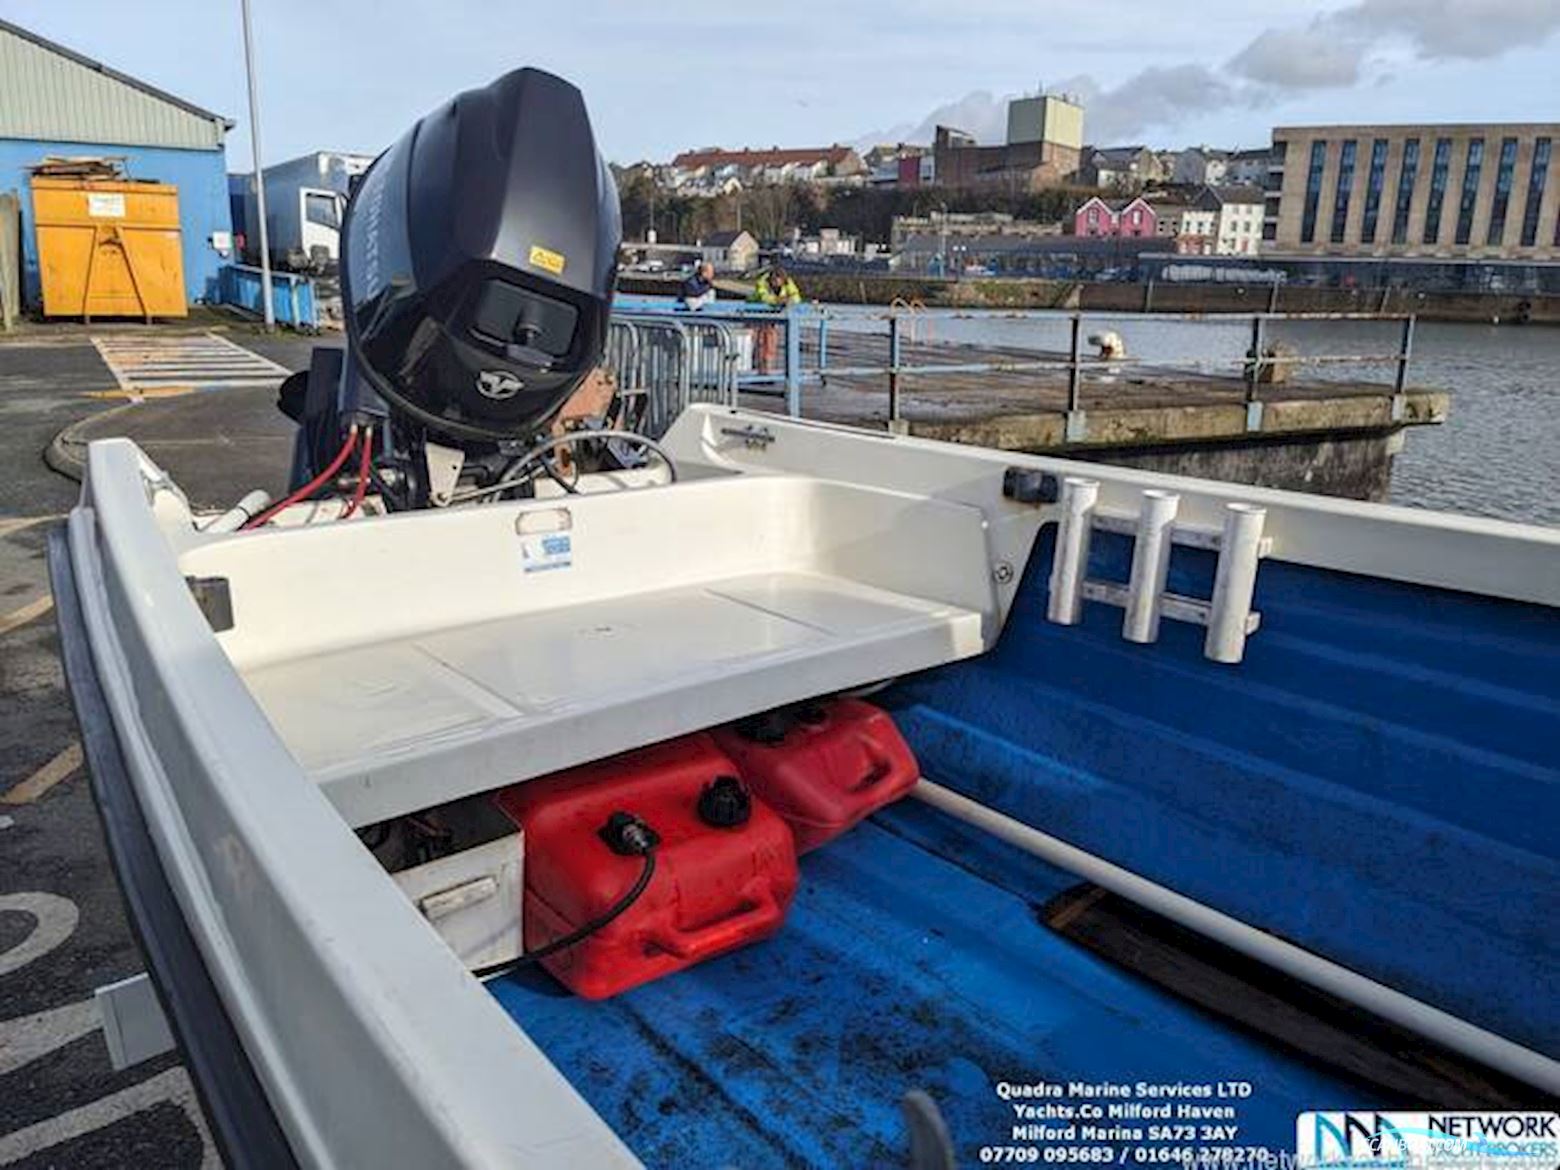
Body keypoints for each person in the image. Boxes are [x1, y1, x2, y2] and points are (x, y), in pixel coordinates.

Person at [749, 266, 801, 372]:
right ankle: (756, 365)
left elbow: (796, 297)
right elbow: (764, 297)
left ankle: (767, 367)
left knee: (770, 340)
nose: (776, 283)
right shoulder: (762, 282)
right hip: (754, 313)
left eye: (779, 281)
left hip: (771, 315)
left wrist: (790, 300)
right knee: (757, 341)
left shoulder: (788, 282)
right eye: (774, 281)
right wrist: (779, 300)